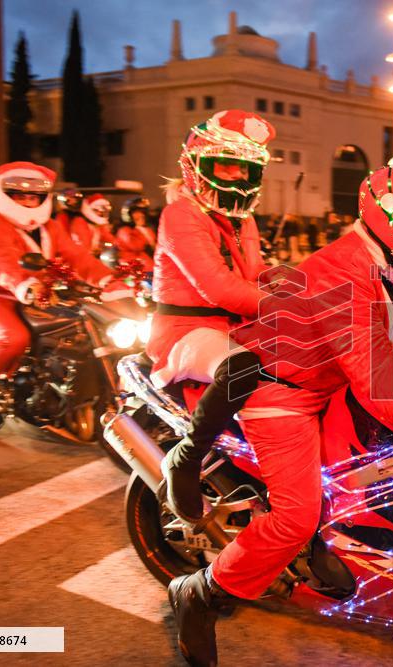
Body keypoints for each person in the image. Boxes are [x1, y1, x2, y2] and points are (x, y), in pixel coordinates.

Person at [165, 154, 393, 667]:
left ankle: (335, 546)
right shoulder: (340, 268)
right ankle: (203, 592)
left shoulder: (385, 260)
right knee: (296, 514)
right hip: (283, 391)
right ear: (388, 217)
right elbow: (372, 365)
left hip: (330, 384)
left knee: (382, 470)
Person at [148, 109, 275, 529]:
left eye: (246, 168)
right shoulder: (181, 215)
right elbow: (219, 288)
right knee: (243, 367)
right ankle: (186, 458)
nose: (237, 177)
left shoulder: (243, 219)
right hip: (189, 331)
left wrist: (312, 287)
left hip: (234, 326)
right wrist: (281, 305)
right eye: (226, 164)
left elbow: (255, 276)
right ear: (196, 163)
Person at [0, 162, 130, 421]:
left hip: (40, 294)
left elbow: (77, 257)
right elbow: (0, 260)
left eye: (33, 196)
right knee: (13, 337)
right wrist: (25, 285)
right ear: (6, 196)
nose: (28, 202)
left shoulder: (50, 226)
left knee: (78, 328)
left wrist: (109, 281)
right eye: (20, 196)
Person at [115, 196, 155, 270]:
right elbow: (136, 246)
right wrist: (146, 238)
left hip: (148, 267)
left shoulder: (147, 229)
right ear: (128, 215)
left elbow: (155, 247)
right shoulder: (124, 230)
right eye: (136, 212)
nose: (141, 215)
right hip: (132, 268)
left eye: (143, 212)